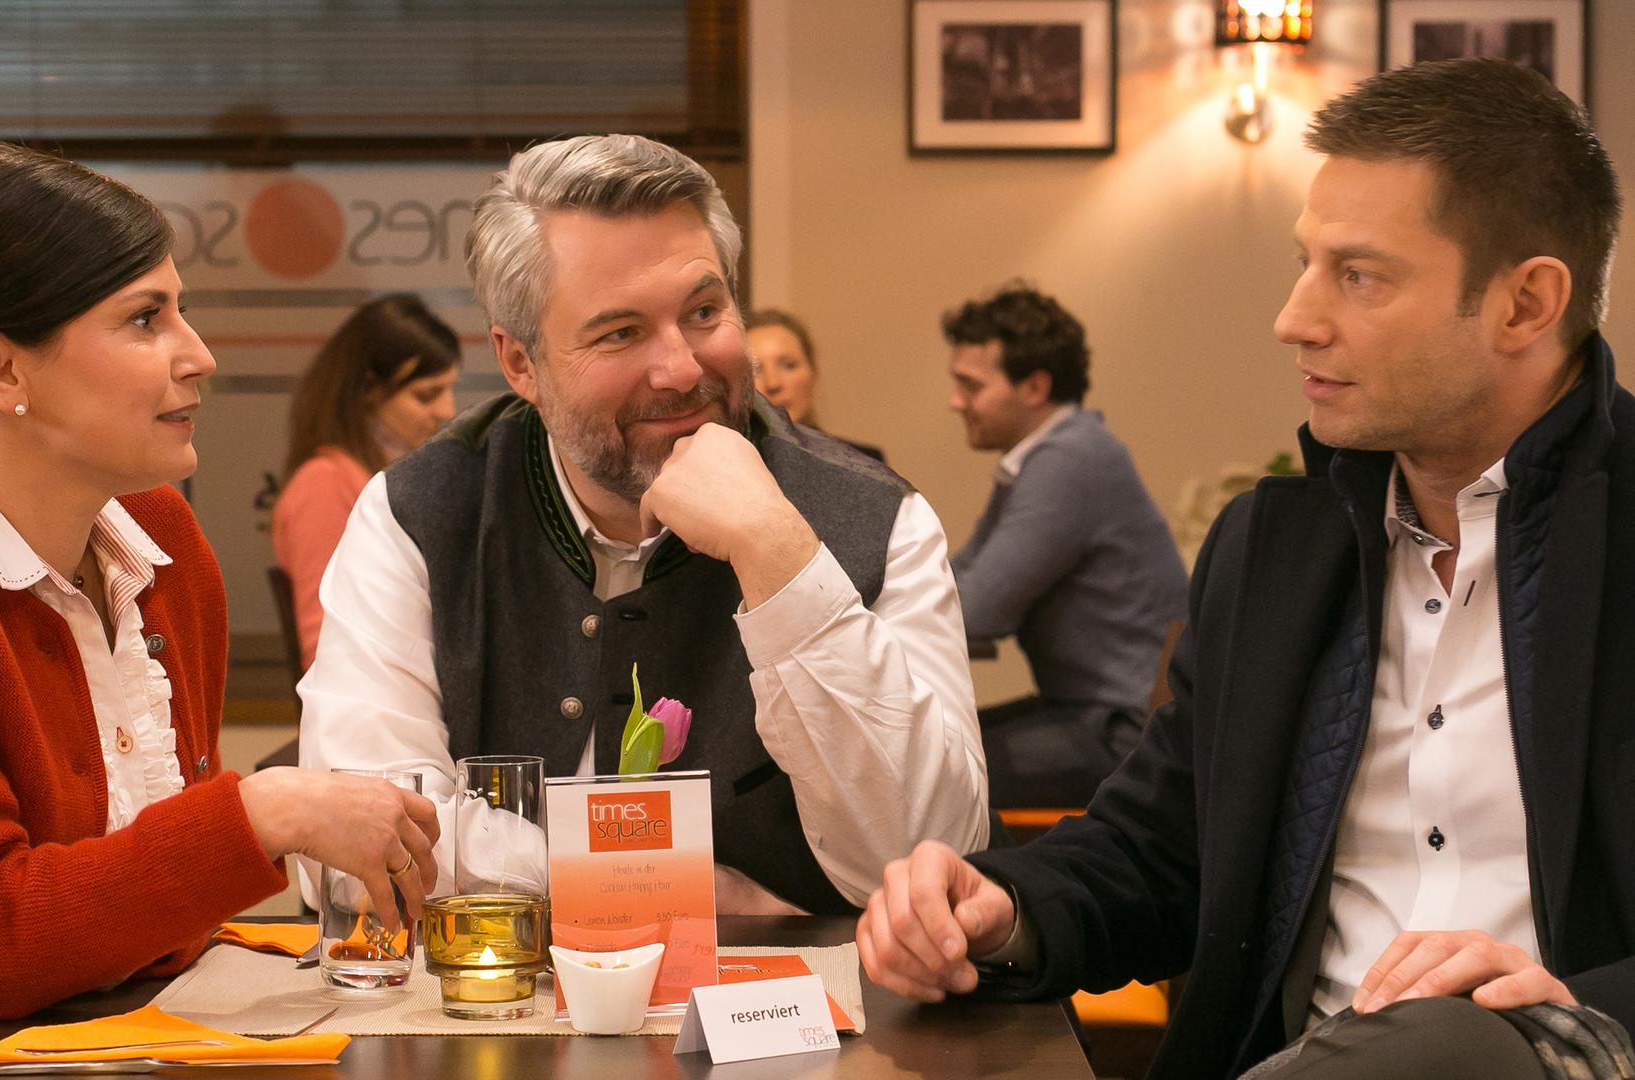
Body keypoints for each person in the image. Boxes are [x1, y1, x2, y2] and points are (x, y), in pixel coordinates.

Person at [858, 59, 1635, 1079]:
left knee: (1449, 1040)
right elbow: (1160, 851)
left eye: (1359, 276)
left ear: (1526, 304)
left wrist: (1574, 1007)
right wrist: (1006, 909)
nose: (1295, 317)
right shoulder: (1273, 549)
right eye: (1307, 264)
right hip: (1293, 1059)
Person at [0, 140, 439, 1080]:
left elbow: (144, 929)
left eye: (181, 310)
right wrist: (262, 811)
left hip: (82, 1050)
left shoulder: (158, 537)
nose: (199, 356)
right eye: (144, 319)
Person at [300, 133, 989, 916]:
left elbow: (936, 862)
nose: (683, 369)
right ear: (521, 363)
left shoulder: (879, 518)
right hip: (498, 989)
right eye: (620, 333)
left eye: (704, 312)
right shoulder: (420, 513)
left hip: (813, 993)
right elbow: (358, 848)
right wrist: (680, 889)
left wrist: (779, 555)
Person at [943, 282, 1188, 808]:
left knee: (929, 769)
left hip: (1126, 731)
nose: (955, 402)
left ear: (1034, 387)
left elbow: (975, 610)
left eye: (970, 385)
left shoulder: (1070, 460)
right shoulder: (1050, 454)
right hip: (1092, 712)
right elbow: (961, 580)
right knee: (927, 750)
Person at [272, 294, 460, 668]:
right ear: (369, 390)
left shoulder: (392, 479)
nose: (447, 410)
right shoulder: (323, 485)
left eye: (449, 389)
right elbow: (325, 648)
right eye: (426, 395)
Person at [746, 308, 886, 462]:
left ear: (813, 374)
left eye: (789, 365)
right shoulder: (730, 466)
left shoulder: (865, 464)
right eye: (755, 370)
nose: (773, 383)